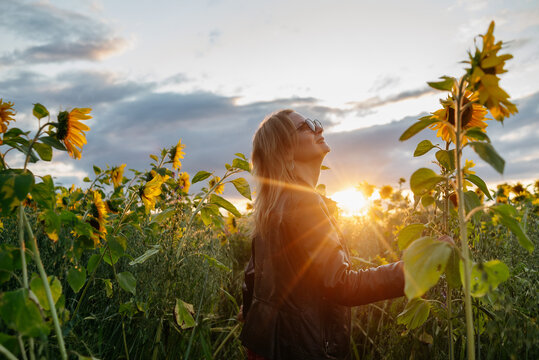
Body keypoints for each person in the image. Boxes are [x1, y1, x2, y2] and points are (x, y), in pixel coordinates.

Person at [238, 109, 407, 360]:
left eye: (315, 122)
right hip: (304, 348)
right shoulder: (302, 201)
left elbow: (252, 276)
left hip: (268, 347)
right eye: (305, 126)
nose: (319, 129)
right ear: (285, 150)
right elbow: (342, 285)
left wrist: (251, 309)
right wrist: (415, 268)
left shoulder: (274, 206)